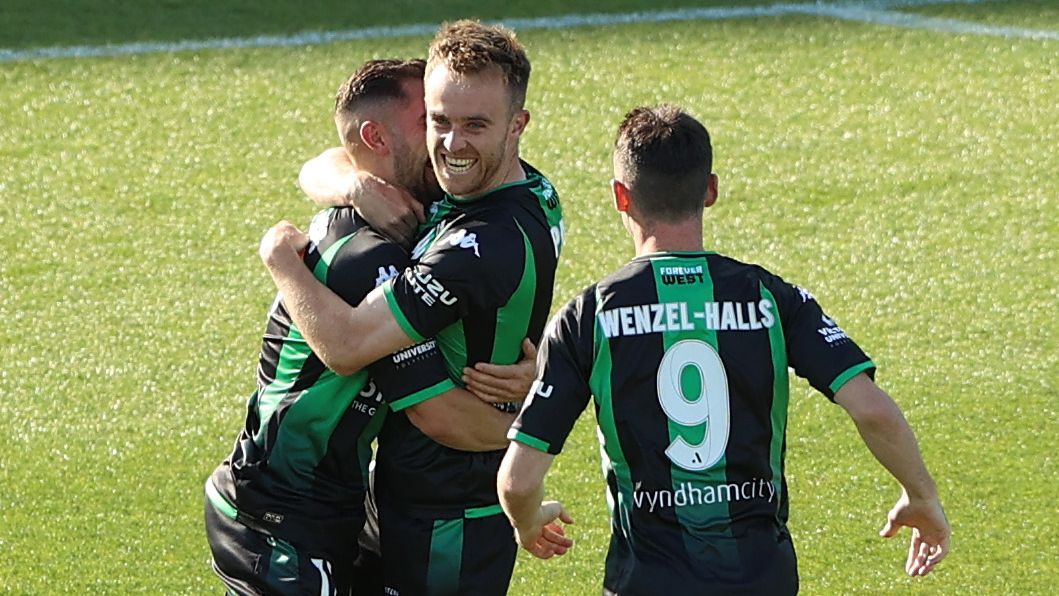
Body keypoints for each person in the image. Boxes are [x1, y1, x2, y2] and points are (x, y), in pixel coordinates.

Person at [497, 105, 951, 594]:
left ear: (620, 197)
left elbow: (517, 482)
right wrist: (920, 494)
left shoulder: (588, 316)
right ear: (710, 190)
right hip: (761, 578)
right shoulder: (773, 298)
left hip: (646, 582)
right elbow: (872, 410)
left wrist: (528, 521)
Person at [259, 20, 564, 596]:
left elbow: (348, 346)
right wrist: (355, 186)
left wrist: (279, 258)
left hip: (451, 510)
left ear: (517, 126)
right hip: (398, 492)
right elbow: (334, 156)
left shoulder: (477, 248)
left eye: (475, 125)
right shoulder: (516, 186)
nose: (451, 145)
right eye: (438, 121)